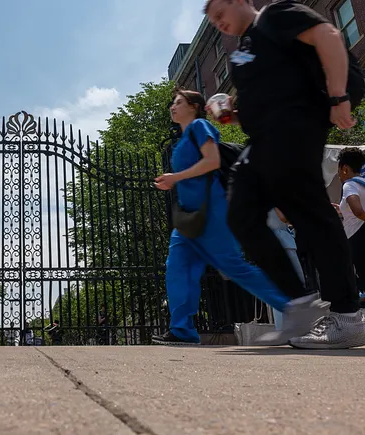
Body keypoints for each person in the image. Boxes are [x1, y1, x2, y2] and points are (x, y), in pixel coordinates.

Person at [205, 0, 365, 348]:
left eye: (220, 14)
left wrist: (338, 96)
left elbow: (328, 35)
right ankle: (299, 304)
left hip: (297, 125)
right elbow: (258, 104)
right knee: (241, 215)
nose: (218, 23)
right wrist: (229, 114)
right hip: (263, 139)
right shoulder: (243, 51)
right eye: (212, 20)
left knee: (312, 214)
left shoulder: (275, 16)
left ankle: (347, 316)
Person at [152, 89, 289, 345]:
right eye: (173, 103)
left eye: (179, 102)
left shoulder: (200, 126)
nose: (173, 106)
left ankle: (292, 307)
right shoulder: (182, 140)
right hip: (189, 218)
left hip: (212, 211)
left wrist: (175, 178)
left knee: (233, 266)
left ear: (194, 107)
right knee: (178, 268)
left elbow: (213, 161)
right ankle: (182, 330)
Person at [266, 208, 306, 330]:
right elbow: (284, 216)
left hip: (274, 240)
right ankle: (291, 328)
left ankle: (284, 328)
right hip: (281, 241)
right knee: (294, 284)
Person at [334, 148, 365, 294]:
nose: (339, 174)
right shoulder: (363, 183)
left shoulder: (349, 185)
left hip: (357, 237)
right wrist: (341, 210)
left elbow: (357, 210)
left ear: (345, 168)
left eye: (339, 170)